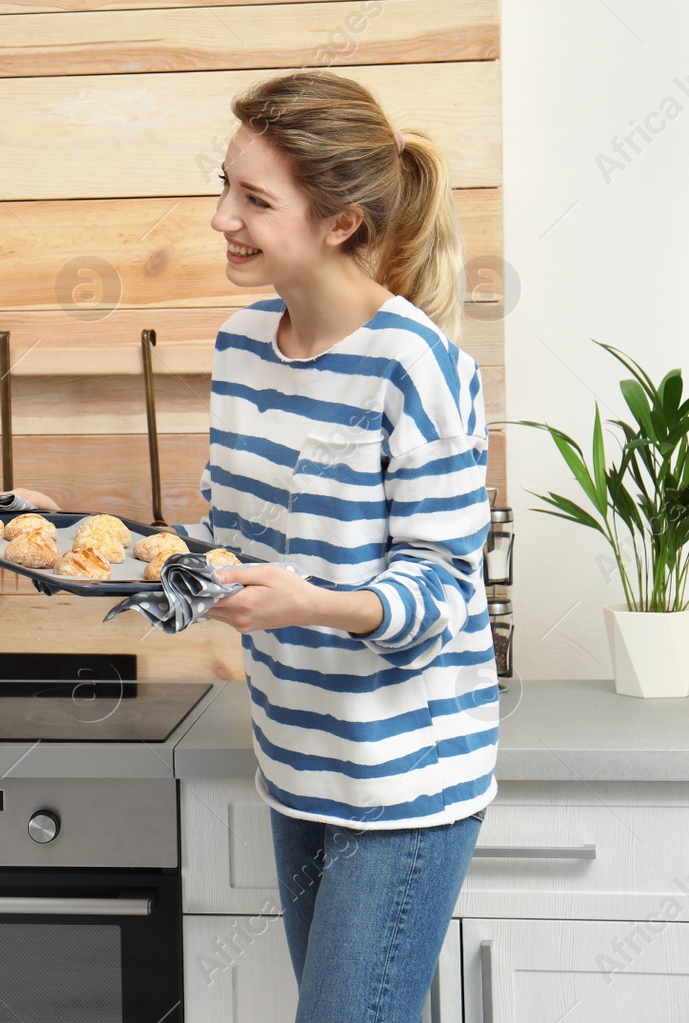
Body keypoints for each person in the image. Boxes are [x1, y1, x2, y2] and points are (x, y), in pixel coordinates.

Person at [172, 70, 499, 1022]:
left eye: (255, 199)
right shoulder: (241, 347)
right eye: (226, 186)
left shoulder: (417, 366)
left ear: (341, 222)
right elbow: (225, 546)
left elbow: (444, 589)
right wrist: (74, 535)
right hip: (296, 754)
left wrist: (310, 602)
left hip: (402, 777)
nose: (222, 216)